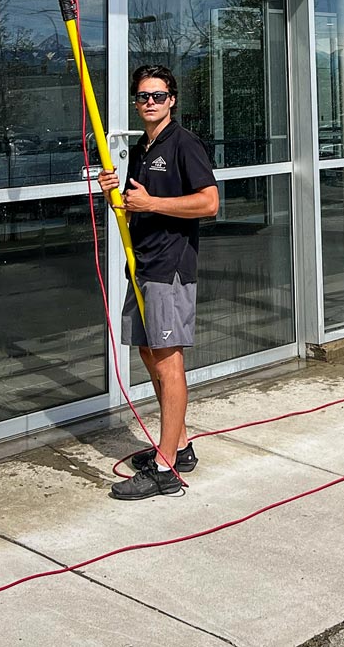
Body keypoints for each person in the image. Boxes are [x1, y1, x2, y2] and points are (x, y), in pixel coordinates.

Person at [99, 64, 219, 500]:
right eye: (142, 97)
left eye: (157, 95)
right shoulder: (143, 148)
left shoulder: (185, 144)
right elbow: (137, 206)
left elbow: (209, 203)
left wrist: (153, 202)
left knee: (169, 363)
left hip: (170, 268)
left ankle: (167, 469)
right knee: (149, 351)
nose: (149, 102)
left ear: (172, 100)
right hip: (143, 265)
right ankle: (180, 445)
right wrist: (117, 192)